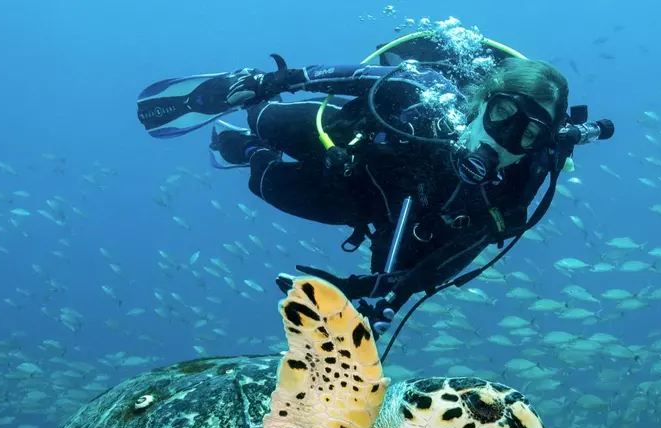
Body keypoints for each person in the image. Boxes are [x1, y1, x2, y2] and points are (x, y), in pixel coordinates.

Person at [137, 29, 613, 339]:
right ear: (482, 99)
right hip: (350, 136)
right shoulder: (431, 98)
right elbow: (356, 77)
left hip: (363, 201)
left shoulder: (508, 196)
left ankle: (242, 151)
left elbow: (449, 259)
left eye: (527, 134)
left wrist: (386, 294)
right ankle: (244, 109)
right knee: (266, 117)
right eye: (503, 114)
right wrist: (272, 81)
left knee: (265, 182)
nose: (506, 138)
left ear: (542, 144)